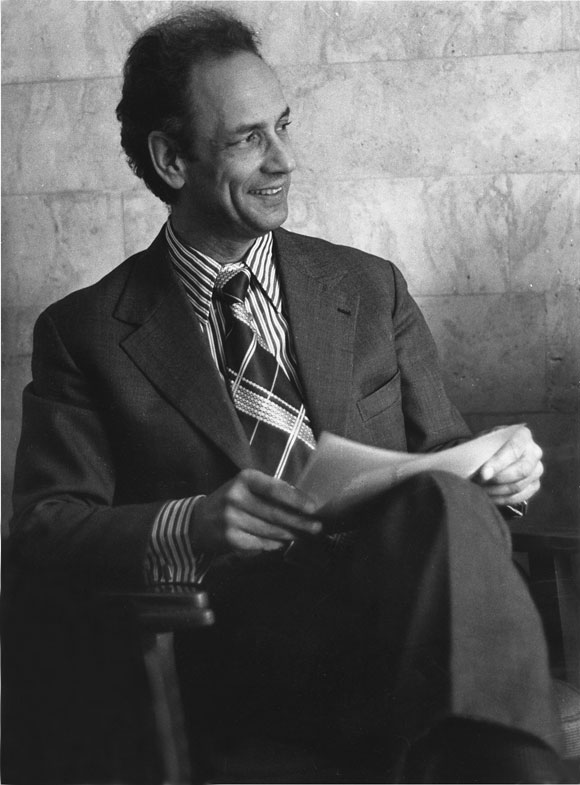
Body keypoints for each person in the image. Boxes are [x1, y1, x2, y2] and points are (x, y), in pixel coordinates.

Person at [5, 8, 570, 784]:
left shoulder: (369, 288)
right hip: (243, 652)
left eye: (284, 126)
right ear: (171, 159)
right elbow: (44, 532)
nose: (285, 159)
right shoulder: (86, 333)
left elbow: (446, 461)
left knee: (446, 500)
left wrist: (502, 474)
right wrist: (194, 522)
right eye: (248, 138)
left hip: (410, 627)